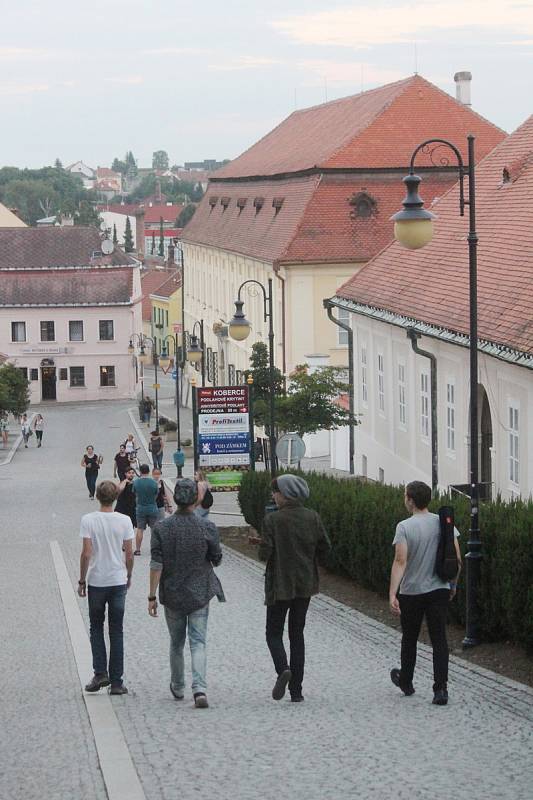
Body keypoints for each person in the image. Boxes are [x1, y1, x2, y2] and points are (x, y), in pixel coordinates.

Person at [148, 478, 225, 708]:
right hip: (200, 592)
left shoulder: (161, 528)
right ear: (195, 499)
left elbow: (156, 564)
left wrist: (151, 595)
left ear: (174, 499)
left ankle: (178, 685)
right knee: (198, 642)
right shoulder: (206, 527)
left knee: (176, 642)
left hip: (172, 593)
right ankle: (199, 688)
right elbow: (217, 558)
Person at [255, 475, 330, 703]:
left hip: (279, 584)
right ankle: (296, 691)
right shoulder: (313, 517)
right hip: (305, 584)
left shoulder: (273, 520)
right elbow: (325, 548)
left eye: (275, 492)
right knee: (297, 634)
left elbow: (264, 554)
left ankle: (283, 669)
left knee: (273, 633)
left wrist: (261, 544)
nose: (273, 495)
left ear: (285, 494)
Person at [389, 481, 462, 707]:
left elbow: (401, 560)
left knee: (409, 637)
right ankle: (440, 689)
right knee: (439, 639)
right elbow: (456, 559)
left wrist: (392, 592)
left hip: (412, 591)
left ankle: (407, 681)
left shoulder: (404, 527)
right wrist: (453, 585)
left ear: (410, 500)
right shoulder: (443, 524)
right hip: (438, 588)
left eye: (405, 496)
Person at [78, 480, 134, 695]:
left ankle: (100, 672)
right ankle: (117, 682)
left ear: (99, 497)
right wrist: (128, 574)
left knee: (96, 627)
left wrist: (82, 579)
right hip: (117, 579)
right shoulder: (124, 520)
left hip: (97, 581)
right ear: (115, 497)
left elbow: (86, 553)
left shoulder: (88, 520)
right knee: (116, 630)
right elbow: (129, 553)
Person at [132, 463, 159, 555]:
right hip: (152, 507)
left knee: (140, 529)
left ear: (140, 471)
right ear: (148, 471)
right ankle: (154, 549)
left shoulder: (136, 482)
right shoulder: (154, 483)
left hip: (140, 507)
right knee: (154, 529)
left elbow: (135, 494)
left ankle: (138, 549)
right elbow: (156, 494)